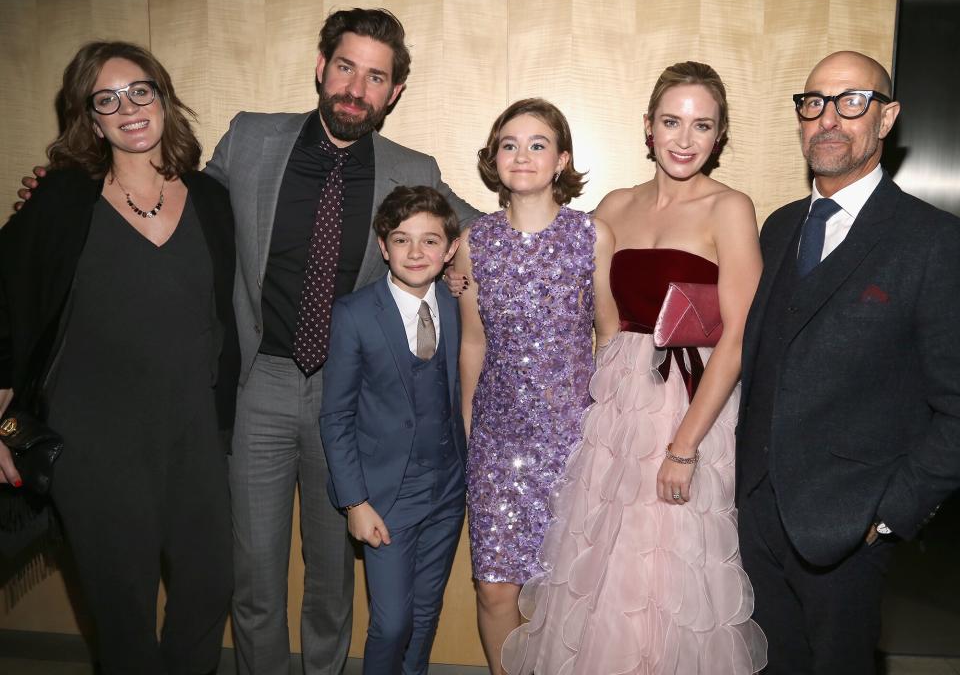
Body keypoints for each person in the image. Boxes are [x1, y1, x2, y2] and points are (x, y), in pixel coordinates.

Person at [18, 8, 480, 674]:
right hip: (255, 383)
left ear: (394, 92)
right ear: (321, 69)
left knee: (332, 571)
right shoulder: (252, 139)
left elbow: (480, 235)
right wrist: (63, 192)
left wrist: (564, 238)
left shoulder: (413, 167)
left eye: (375, 77)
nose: (356, 86)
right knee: (251, 569)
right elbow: (176, 199)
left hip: (346, 398)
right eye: (345, 67)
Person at [501, 62, 767, 674]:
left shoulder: (729, 208)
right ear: (647, 127)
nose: (684, 138)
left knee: (669, 570)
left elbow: (738, 338)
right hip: (618, 396)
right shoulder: (615, 206)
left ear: (719, 136)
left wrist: (684, 446)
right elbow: (575, 288)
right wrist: (465, 262)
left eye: (702, 126)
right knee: (607, 566)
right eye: (671, 121)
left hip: (689, 400)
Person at [0, 41, 237, 674]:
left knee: (210, 588)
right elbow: (6, 300)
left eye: (140, 91)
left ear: (163, 98)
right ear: (90, 118)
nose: (127, 108)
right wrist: (1, 417)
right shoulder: (61, 200)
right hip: (94, 445)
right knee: (122, 614)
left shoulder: (212, 200)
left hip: (194, 434)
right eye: (106, 99)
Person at [735, 50, 960, 675]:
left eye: (850, 102)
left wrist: (890, 514)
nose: (828, 119)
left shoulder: (934, 242)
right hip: (755, 520)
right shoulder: (778, 227)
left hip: (848, 531)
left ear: (885, 119)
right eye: (814, 104)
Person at [454, 98, 619, 674]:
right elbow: (472, 342)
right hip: (498, 444)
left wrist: (611, 430)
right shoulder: (474, 242)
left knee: (562, 595)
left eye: (538, 144)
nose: (522, 155)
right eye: (509, 144)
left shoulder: (591, 237)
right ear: (493, 158)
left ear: (562, 160)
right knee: (495, 590)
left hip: (574, 442)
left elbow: (611, 337)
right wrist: (471, 433)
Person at [319, 185, 466, 675]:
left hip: (447, 489)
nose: (416, 252)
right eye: (402, 240)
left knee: (425, 615)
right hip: (385, 497)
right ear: (383, 246)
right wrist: (355, 503)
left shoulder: (455, 305)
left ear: (449, 251)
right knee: (392, 621)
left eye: (430, 241)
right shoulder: (354, 314)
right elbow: (336, 417)